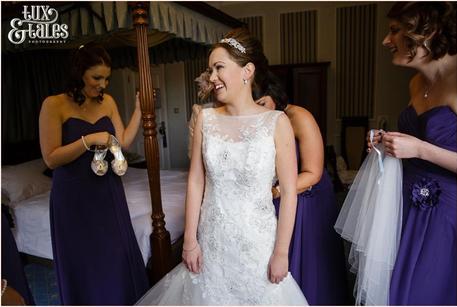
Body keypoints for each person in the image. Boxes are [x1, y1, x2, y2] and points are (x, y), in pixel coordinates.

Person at [136, 28, 307, 305]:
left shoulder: (277, 123)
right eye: (210, 69)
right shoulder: (206, 119)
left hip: (258, 244)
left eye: (219, 68)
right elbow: (195, 182)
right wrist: (189, 240)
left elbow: (289, 192)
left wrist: (281, 252)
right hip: (212, 242)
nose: (211, 77)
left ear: (246, 71)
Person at [38, 43, 149, 305]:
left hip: (107, 191)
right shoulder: (53, 105)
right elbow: (51, 158)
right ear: (79, 73)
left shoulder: (107, 102)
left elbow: (122, 143)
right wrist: (88, 141)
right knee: (83, 262)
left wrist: (139, 110)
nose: (103, 84)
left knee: (115, 257)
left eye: (107, 78)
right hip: (73, 197)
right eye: (96, 77)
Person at [368, 2, 457, 305]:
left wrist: (419, 148)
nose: (386, 41)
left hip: (448, 215)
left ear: (427, 31)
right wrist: (388, 143)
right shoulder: (416, 83)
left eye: (394, 31)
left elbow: (422, 147)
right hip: (406, 208)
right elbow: (415, 142)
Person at [253, 73, 350, 305]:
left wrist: (274, 192)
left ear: (275, 97)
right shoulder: (255, 122)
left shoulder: (299, 117)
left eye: (263, 104)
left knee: (307, 265)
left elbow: (313, 173)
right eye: (253, 106)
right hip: (278, 195)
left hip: (308, 196)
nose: (260, 112)